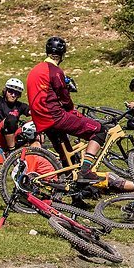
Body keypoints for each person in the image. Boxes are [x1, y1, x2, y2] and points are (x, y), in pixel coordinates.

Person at [27, 36, 107, 180]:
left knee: (67, 158)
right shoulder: (55, 71)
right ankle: (86, 171)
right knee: (100, 130)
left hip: (41, 121)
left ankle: (76, 196)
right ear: (62, 54)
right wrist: (71, 109)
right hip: (55, 117)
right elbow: (64, 96)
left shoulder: (35, 69)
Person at [0, 62, 30, 154]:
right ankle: (12, 152)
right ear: (5, 91)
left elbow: (33, 112)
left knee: (34, 123)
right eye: (10, 91)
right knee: (11, 118)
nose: (13, 95)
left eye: (16, 93)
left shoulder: (20, 105)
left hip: (13, 136)